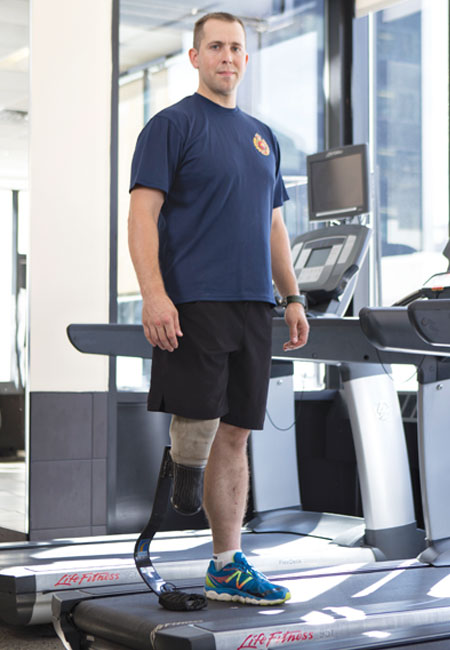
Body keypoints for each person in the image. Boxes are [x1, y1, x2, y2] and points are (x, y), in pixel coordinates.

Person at [128, 11, 309, 606]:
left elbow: (275, 225)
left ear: (246, 59)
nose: (227, 56)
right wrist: (154, 293)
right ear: (195, 57)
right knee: (201, 427)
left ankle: (226, 566)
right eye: (216, 47)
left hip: (254, 303)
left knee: (237, 434)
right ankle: (184, 465)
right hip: (195, 300)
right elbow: (142, 216)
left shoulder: (264, 136)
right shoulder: (171, 125)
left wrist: (293, 296)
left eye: (236, 48)